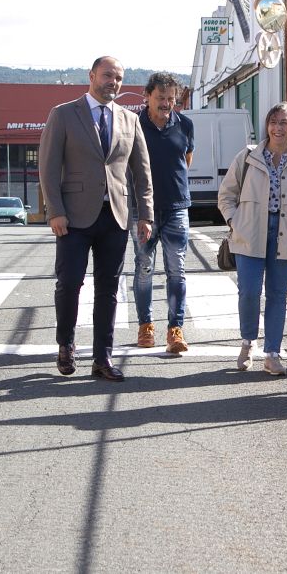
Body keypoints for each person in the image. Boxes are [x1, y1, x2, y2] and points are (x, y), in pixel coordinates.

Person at [39, 56, 153, 383]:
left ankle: (103, 357)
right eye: (107, 76)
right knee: (70, 283)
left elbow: (141, 173)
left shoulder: (129, 120)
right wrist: (55, 212)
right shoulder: (63, 114)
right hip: (73, 218)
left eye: (118, 78)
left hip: (115, 217)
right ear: (91, 76)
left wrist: (145, 215)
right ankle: (66, 345)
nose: (112, 83)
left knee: (109, 289)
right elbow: (47, 167)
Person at [217, 101, 287, 376]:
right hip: (249, 231)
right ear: (267, 125)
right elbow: (226, 194)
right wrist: (234, 220)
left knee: (277, 295)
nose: (278, 127)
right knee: (249, 292)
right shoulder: (248, 157)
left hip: (286, 234)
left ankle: (272, 353)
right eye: (274, 121)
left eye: (284, 122)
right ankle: (247, 341)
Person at [129, 72, 194, 355]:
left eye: (171, 99)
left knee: (176, 271)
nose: (166, 103)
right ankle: (145, 326)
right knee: (144, 269)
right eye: (160, 98)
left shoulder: (186, 125)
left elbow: (186, 161)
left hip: (177, 208)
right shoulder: (133, 125)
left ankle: (174, 330)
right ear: (147, 96)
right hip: (142, 211)